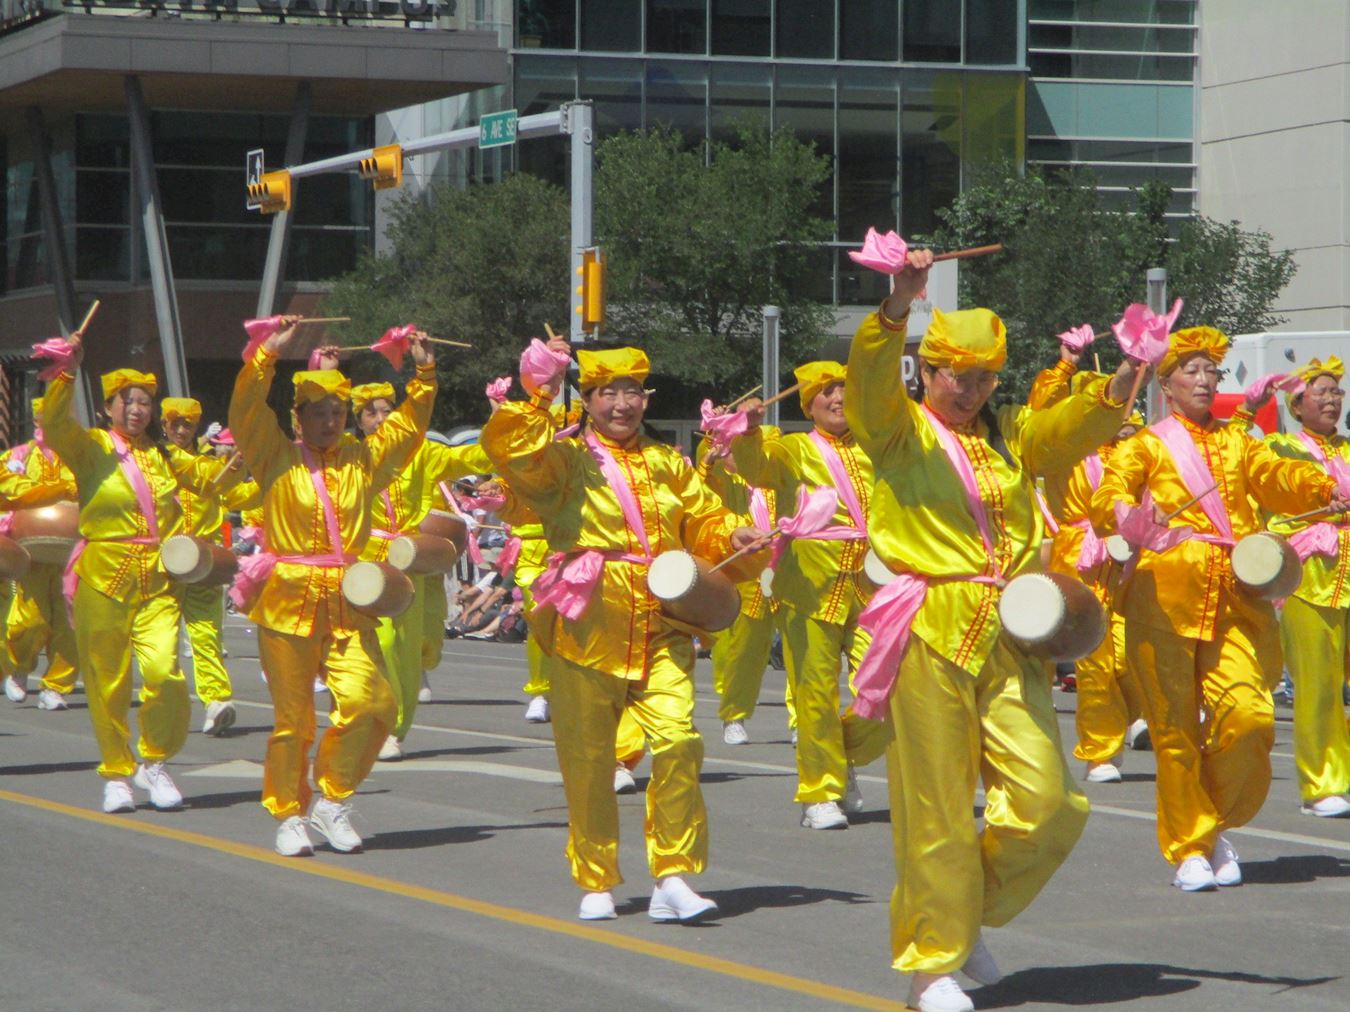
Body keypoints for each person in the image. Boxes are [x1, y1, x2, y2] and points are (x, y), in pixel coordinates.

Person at [846, 248, 1143, 1012]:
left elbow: (1069, 429)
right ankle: (932, 965)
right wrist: (898, 304)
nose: (970, 389)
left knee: (1051, 801)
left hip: (1010, 632)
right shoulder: (898, 430)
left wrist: (1125, 375)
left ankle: (962, 914)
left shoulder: (1009, 436)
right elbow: (869, 383)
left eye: (984, 378)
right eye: (957, 375)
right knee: (938, 809)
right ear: (927, 371)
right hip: (929, 627)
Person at [482, 339, 766, 923]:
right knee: (588, 758)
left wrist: (733, 534)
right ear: (586, 399)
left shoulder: (668, 463)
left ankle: (672, 876)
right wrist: (539, 391)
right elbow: (515, 456)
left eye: (632, 391)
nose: (621, 403)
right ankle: (595, 876)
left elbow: (704, 519)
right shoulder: (565, 458)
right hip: (587, 619)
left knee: (680, 741)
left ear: (646, 397)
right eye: (607, 392)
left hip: (662, 619)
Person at [1089, 327, 1346, 892]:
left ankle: (1213, 820)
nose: (1205, 381)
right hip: (1163, 597)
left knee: (1249, 717)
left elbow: (1277, 475)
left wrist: (1318, 487)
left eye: (1212, 371)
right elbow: (1110, 493)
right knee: (1174, 730)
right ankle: (1190, 845)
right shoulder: (1146, 445)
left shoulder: (1239, 441)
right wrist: (1129, 516)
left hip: (1234, 596)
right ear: (1167, 384)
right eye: (1192, 371)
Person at [228, 319, 434, 856]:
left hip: (349, 597)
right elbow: (246, 410)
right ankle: (289, 814)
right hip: (287, 599)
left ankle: (333, 799)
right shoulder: (274, 455)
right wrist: (266, 356)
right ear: (298, 417)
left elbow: (408, 430)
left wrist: (425, 374)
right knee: (293, 721)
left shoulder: (364, 461)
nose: (328, 421)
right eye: (317, 413)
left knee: (375, 703)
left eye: (337, 413)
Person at [42, 356, 225, 814]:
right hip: (103, 576)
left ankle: (155, 761)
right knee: (108, 681)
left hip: (158, 579)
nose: (138, 410)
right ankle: (117, 774)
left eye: (145, 402)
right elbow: (55, 422)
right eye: (128, 402)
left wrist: (239, 461)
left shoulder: (164, 454)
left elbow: (211, 480)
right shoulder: (90, 446)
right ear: (108, 407)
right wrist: (66, 372)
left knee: (165, 673)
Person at [731, 366, 892, 828]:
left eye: (845, 389)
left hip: (874, 585)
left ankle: (840, 757)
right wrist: (749, 431)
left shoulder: (876, 447)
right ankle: (819, 792)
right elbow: (754, 467)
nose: (838, 398)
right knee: (814, 694)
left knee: (886, 692)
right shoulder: (794, 448)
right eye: (827, 392)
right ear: (809, 405)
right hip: (809, 585)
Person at [340, 374, 490, 762]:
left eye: (387, 411)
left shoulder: (421, 452)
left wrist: (506, 427)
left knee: (413, 648)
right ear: (358, 421)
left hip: (411, 558)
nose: (380, 419)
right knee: (384, 643)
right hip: (368, 561)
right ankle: (383, 726)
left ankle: (396, 721)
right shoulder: (349, 455)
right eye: (370, 413)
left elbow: (468, 458)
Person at [1029, 358, 1150, 780]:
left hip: (1127, 560)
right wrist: (1063, 367)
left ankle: (1131, 717)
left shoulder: (1133, 453)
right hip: (1078, 559)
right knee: (1094, 661)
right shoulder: (1066, 453)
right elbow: (1042, 415)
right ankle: (1100, 752)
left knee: (1132, 656)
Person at [1245, 357, 1350, 817]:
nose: (1331, 400)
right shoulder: (1280, 448)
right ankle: (1322, 784)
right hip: (1311, 581)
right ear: (1297, 404)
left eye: (1336, 392)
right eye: (1321, 392)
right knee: (1319, 687)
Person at [161, 397, 256, 736]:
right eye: (175, 424)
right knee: (161, 640)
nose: (181, 430)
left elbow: (234, 495)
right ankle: (164, 706)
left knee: (205, 633)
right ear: (164, 425)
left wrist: (267, 481)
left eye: (187, 424)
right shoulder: (154, 462)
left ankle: (216, 701)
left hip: (204, 562)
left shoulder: (208, 467)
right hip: (161, 563)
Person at [696, 427, 795, 745]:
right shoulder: (729, 483)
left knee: (800, 649)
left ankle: (802, 719)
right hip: (749, 573)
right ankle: (734, 716)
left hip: (789, 569)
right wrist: (711, 445)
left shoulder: (781, 482)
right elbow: (701, 491)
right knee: (744, 652)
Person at [1, 398, 80, 709]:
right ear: (37, 420)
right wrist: (47, 492)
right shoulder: (20, 456)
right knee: (31, 619)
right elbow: (6, 486)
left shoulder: (79, 456)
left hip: (71, 555)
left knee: (69, 624)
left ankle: (57, 686)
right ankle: (19, 665)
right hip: (33, 553)